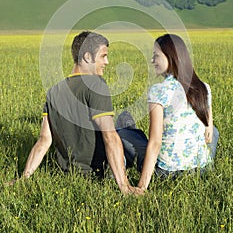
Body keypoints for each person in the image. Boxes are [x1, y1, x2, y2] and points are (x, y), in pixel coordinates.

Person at [8, 31, 143, 195]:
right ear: (87, 57)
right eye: (103, 56)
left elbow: (44, 140)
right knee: (127, 125)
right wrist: (124, 186)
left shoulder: (53, 91)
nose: (107, 62)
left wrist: (25, 177)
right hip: (101, 171)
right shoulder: (96, 84)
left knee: (121, 124)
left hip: (70, 173)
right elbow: (110, 137)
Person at [137, 33, 219, 191]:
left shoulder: (158, 91)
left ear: (170, 56)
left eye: (156, 56)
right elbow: (208, 133)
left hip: (168, 172)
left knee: (127, 134)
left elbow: (155, 142)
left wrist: (142, 187)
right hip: (202, 169)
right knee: (213, 131)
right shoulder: (204, 87)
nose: (152, 61)